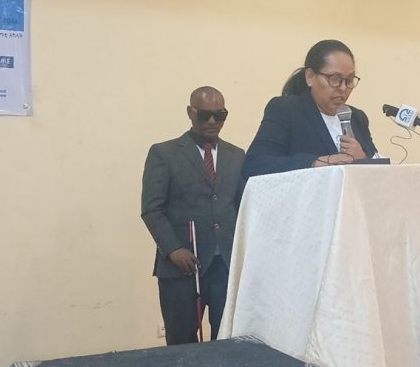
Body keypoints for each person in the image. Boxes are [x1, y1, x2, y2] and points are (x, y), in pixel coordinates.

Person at [141, 86, 245, 345]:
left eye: (219, 115)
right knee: (181, 343)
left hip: (226, 266)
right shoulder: (164, 153)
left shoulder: (237, 155)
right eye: (205, 115)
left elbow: (243, 206)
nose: (212, 121)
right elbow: (152, 209)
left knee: (228, 340)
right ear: (190, 112)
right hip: (182, 267)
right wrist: (173, 249)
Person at [242, 39, 377, 178]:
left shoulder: (357, 118)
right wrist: (315, 163)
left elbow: (379, 171)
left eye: (349, 80)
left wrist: (363, 159)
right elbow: (254, 165)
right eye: (335, 79)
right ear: (310, 76)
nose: (343, 88)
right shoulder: (287, 110)